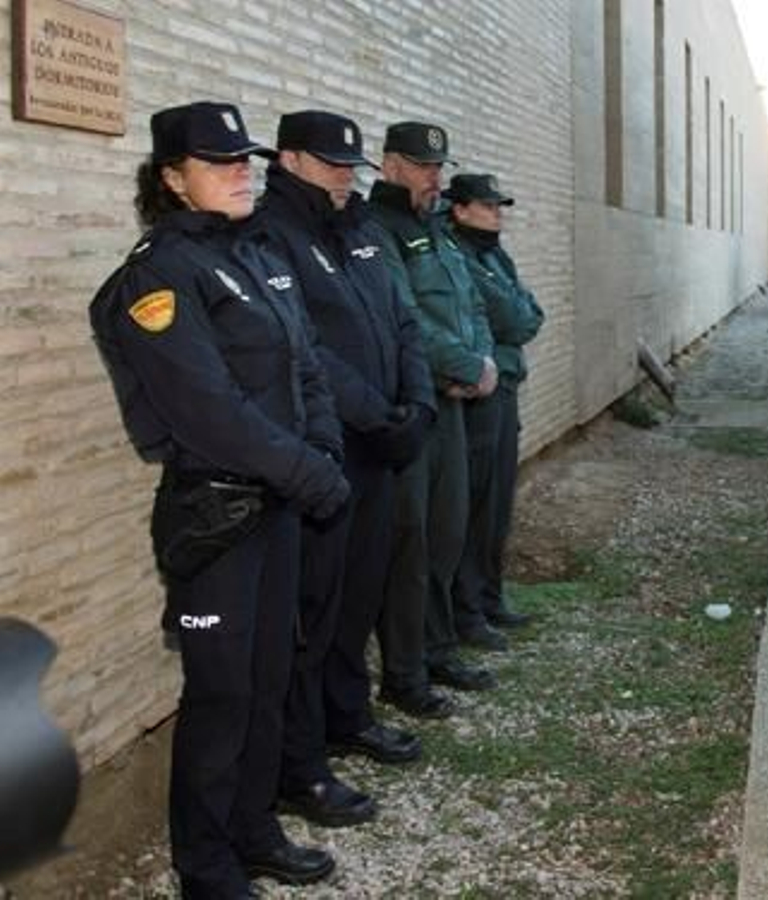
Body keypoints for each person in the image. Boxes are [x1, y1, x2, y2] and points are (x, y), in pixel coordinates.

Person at [88, 101, 346, 896]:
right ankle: (204, 865)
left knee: (270, 678)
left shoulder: (256, 253)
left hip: (278, 507)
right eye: (218, 161)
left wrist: (324, 450)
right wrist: (310, 471)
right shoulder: (157, 278)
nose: (241, 171)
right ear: (171, 178)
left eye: (244, 159)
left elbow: (305, 366)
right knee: (223, 693)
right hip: (218, 516)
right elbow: (209, 411)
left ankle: (253, 826)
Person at [254, 109, 438, 827]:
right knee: (315, 608)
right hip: (330, 450)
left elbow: (400, 321)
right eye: (329, 161)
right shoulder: (272, 232)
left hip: (384, 444)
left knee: (359, 594)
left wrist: (416, 403)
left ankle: (347, 713)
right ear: (289, 159)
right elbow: (302, 349)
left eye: (349, 164)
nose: (342, 174)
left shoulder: (357, 227)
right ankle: (301, 760)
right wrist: (375, 415)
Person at [368, 120, 500, 710]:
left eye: (439, 168)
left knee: (447, 530)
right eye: (423, 167)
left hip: (451, 400)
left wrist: (483, 361)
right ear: (391, 164)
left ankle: (439, 645)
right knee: (412, 542)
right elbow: (403, 318)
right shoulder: (381, 229)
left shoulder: (437, 232)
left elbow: (470, 305)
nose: (434, 178)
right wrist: (464, 365)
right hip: (414, 404)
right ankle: (407, 670)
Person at [444, 173, 545, 638]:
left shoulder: (492, 253)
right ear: (460, 210)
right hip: (481, 395)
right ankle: (467, 608)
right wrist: (515, 313)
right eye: (487, 206)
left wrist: (516, 313)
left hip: (503, 387)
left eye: (498, 206)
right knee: (477, 506)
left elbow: (528, 316)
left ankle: (489, 596)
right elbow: (507, 316)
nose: (496, 214)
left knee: (499, 502)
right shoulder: (458, 256)